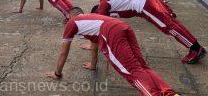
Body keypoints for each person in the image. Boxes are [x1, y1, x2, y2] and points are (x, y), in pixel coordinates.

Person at [46, 8, 179, 96]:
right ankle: (169, 93)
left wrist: (57, 73)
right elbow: (94, 43)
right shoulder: (89, 19)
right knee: (141, 66)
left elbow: (64, 51)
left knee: (132, 71)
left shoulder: (72, 22)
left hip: (110, 32)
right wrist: (93, 65)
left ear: (71, 16)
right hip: (122, 26)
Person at [94, 0, 205, 64]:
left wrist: (93, 44)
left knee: (168, 27)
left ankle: (196, 49)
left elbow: (101, 29)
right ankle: (195, 46)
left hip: (142, 3)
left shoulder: (102, 6)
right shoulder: (106, 4)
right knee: (171, 23)